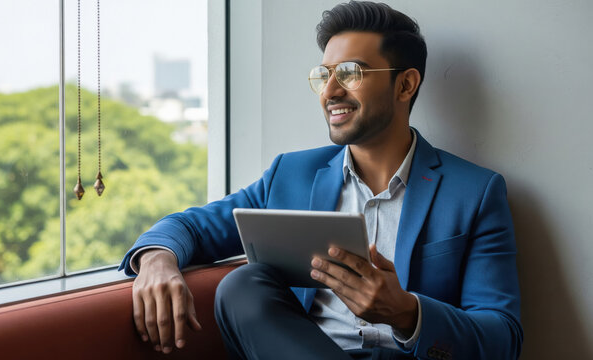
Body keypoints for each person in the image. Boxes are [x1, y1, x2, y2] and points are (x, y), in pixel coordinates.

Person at [119, 1, 523, 359]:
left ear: (405, 84)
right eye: (324, 74)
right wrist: (157, 260)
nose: (330, 91)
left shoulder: (475, 192)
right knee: (243, 285)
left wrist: (406, 312)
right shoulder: (290, 175)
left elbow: (502, 338)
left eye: (350, 73)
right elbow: (192, 226)